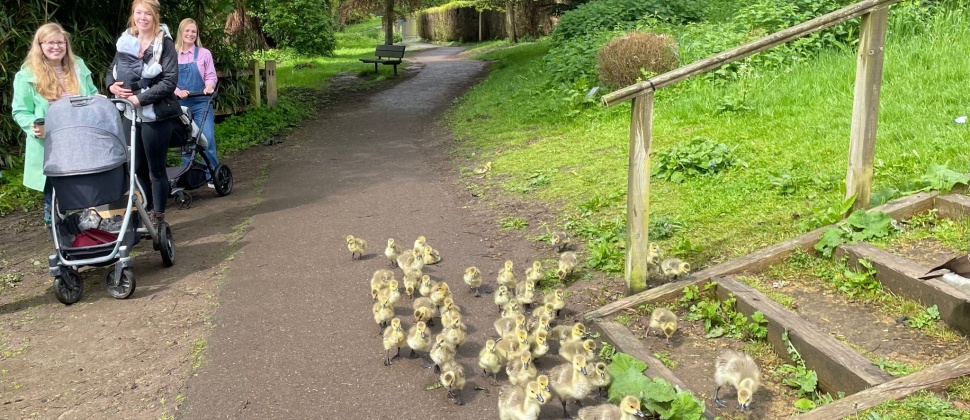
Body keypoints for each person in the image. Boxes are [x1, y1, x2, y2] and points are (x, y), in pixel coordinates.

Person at [11, 22, 99, 229]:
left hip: (81, 136)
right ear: (40, 45)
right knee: (54, 188)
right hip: (50, 141)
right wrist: (32, 124)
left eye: (60, 42)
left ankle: (91, 227)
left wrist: (98, 101)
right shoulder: (26, 76)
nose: (56, 47)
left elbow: (92, 93)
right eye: (50, 42)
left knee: (88, 184)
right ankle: (56, 228)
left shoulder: (78, 66)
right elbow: (20, 111)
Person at [106, 0, 180, 228]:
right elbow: (112, 70)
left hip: (155, 116)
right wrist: (111, 86)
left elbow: (169, 81)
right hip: (129, 114)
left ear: (155, 16)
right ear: (133, 15)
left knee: (155, 169)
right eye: (138, 13)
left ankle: (158, 215)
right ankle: (146, 209)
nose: (142, 18)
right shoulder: (126, 39)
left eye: (147, 13)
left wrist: (140, 99)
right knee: (135, 168)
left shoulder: (164, 43)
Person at [173, 18, 219, 177]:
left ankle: (213, 175)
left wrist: (209, 86)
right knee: (185, 142)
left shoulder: (204, 54)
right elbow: (167, 79)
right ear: (181, 32)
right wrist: (177, 91)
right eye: (187, 30)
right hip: (180, 105)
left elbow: (211, 76)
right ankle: (189, 176)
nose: (190, 34)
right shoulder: (172, 54)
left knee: (207, 139)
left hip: (201, 102)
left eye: (193, 31)